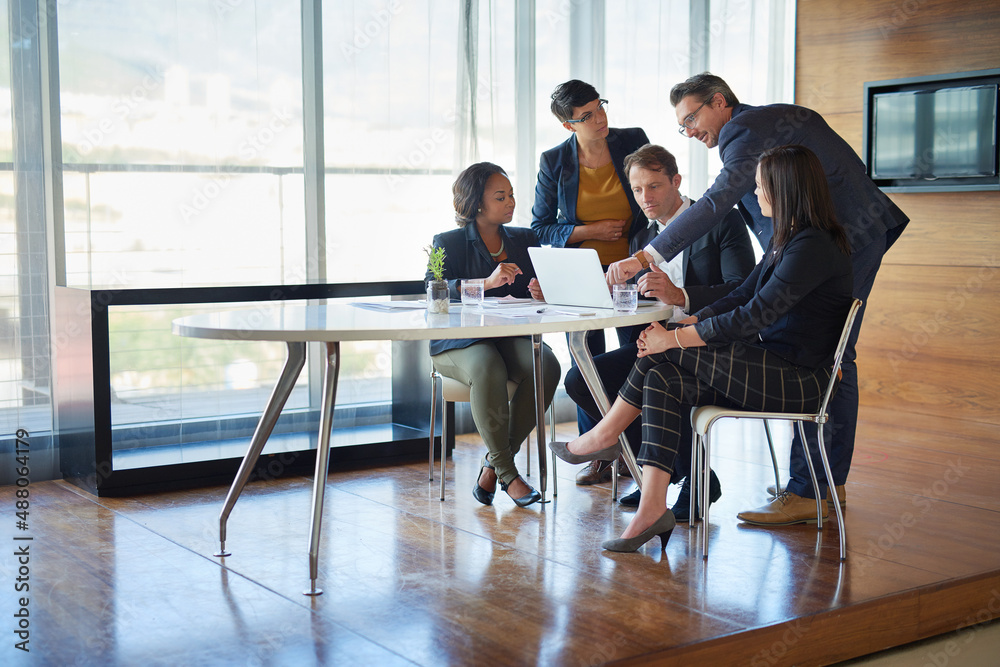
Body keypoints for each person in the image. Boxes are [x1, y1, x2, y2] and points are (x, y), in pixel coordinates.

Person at [607, 73, 909, 525]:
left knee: (835, 355)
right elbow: (748, 286)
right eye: (681, 124)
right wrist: (692, 324)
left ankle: (814, 488)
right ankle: (822, 484)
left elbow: (714, 204)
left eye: (692, 117)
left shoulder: (743, 131)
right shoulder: (760, 130)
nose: (689, 130)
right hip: (820, 239)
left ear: (720, 102)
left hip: (850, 234)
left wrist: (647, 256)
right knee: (816, 348)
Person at [550, 144, 854, 552]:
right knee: (662, 375)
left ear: (785, 190)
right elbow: (742, 295)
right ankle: (653, 507)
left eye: (761, 186)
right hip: (774, 367)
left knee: (662, 353)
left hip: (798, 379)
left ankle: (605, 433)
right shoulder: (789, 239)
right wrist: (691, 320)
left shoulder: (813, 246)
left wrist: (671, 337)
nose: (756, 194)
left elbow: (752, 317)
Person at [564, 143, 755, 524]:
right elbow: (640, 299)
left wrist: (681, 296)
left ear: (676, 181)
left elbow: (743, 290)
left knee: (657, 379)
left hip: (713, 338)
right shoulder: (642, 237)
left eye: (653, 186)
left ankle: (685, 477)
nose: (645, 198)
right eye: (637, 190)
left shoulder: (721, 221)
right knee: (584, 380)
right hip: (662, 340)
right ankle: (665, 472)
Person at [427, 162, 561, 508]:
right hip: (459, 344)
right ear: (476, 203)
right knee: (488, 366)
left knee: (546, 364)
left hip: (507, 337)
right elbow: (433, 289)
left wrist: (540, 290)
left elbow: (540, 289)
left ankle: (493, 465)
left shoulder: (524, 239)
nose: (510, 202)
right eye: (500, 197)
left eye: (512, 195)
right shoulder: (448, 242)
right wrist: (484, 284)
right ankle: (508, 473)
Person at [530, 79, 650, 436]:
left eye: (601, 106)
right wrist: (589, 231)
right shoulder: (554, 161)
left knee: (640, 355)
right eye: (587, 115)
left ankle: (640, 446)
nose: (600, 117)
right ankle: (597, 449)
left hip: (632, 268)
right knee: (586, 363)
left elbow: (654, 196)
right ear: (569, 125)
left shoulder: (633, 140)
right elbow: (540, 227)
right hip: (581, 275)